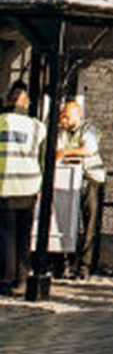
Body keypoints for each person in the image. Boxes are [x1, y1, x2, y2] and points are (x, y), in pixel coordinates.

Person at [0, 85, 44, 298]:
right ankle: (22, 278)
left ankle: (5, 280)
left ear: (8, 100)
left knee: (6, 236)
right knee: (24, 235)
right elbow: (42, 157)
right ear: (26, 102)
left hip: (5, 186)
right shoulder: (37, 126)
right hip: (28, 186)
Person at [55, 99, 105, 279]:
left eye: (67, 116)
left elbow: (88, 148)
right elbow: (55, 150)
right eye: (62, 115)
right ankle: (61, 262)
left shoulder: (88, 129)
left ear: (77, 115)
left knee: (89, 223)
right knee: (64, 221)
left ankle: (85, 266)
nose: (64, 119)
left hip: (90, 178)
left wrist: (66, 153)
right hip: (66, 179)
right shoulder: (62, 132)